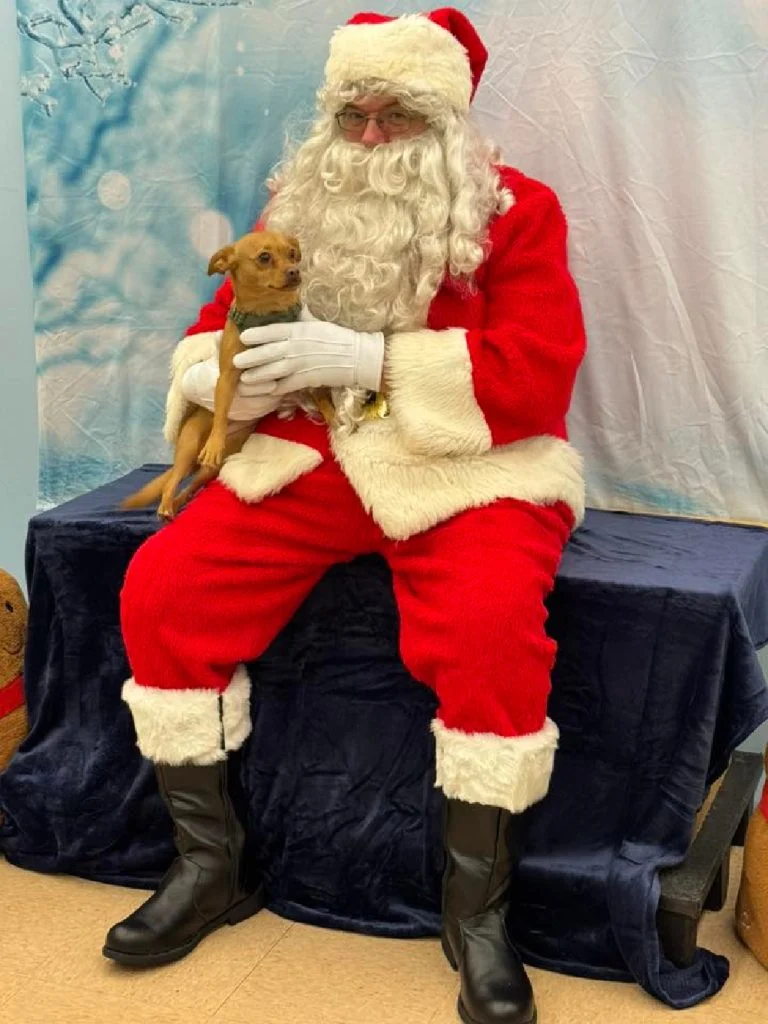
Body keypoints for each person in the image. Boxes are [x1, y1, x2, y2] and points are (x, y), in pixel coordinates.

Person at [105, 9, 587, 1024]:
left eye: (397, 118)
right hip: (312, 454)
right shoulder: (297, 200)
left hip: (466, 468)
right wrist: (223, 385)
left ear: (448, 119)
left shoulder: (518, 211)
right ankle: (211, 867)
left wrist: (372, 362)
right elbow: (211, 330)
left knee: (493, 626)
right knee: (163, 587)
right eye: (353, 114)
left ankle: (477, 915)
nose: (369, 139)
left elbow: (540, 376)